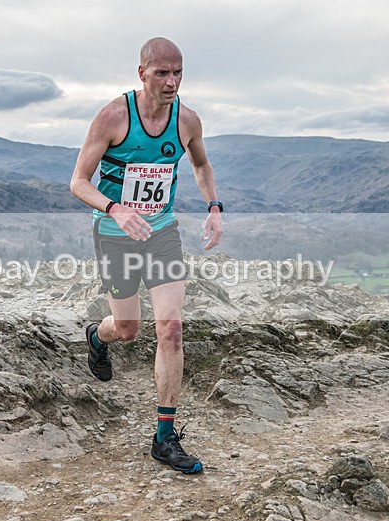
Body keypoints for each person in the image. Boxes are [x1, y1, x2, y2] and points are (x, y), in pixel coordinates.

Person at [69, 37, 223, 474]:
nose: (171, 82)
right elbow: (79, 181)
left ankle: (164, 437)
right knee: (129, 327)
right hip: (116, 233)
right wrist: (116, 210)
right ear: (141, 72)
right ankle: (98, 337)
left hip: (161, 232)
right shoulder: (114, 116)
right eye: (162, 72)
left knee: (171, 328)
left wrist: (213, 206)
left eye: (178, 73)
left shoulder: (187, 120)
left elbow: (200, 164)